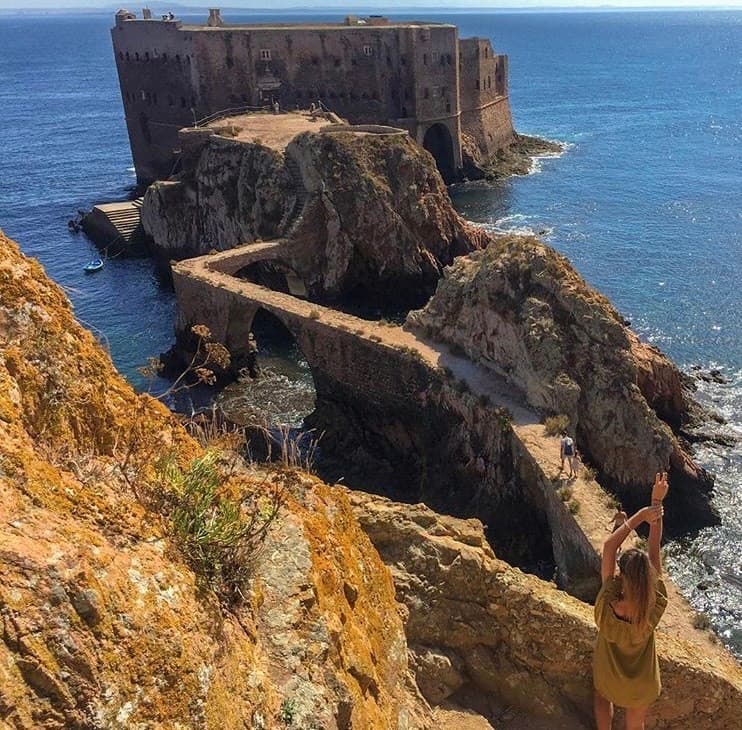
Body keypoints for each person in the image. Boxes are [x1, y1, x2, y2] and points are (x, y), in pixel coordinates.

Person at [593, 472, 669, 730]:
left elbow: (609, 548)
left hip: (609, 676)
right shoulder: (654, 605)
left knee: (602, 699)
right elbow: (654, 549)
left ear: (621, 576)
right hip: (642, 684)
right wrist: (656, 504)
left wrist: (640, 515)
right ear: (647, 578)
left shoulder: (608, 601)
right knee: (636, 724)